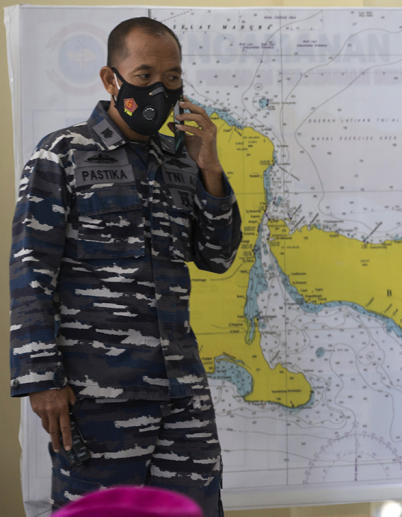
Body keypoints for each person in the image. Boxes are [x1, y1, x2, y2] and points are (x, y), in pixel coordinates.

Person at [9, 17, 241, 515]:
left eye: (173, 77)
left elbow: (218, 257)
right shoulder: (62, 153)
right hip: (97, 395)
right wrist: (42, 379)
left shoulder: (180, 161)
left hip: (182, 394)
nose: (160, 88)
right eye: (144, 75)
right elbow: (32, 270)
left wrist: (210, 169)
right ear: (110, 79)